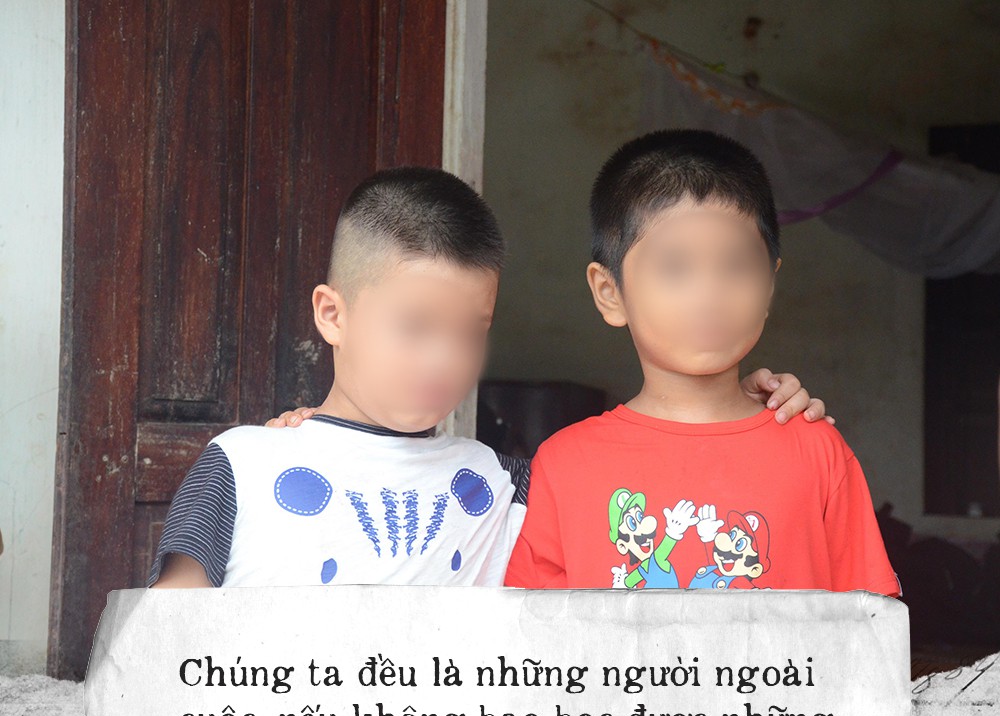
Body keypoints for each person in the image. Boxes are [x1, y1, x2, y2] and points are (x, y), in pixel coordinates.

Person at [152, 165, 827, 589]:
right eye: (415, 327)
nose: (444, 361)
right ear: (333, 314)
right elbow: (164, 656)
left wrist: (742, 404)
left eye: (470, 331)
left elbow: (664, 480)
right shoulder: (244, 465)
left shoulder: (508, 485)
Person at [502, 129, 899, 596]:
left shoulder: (817, 452)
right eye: (674, 268)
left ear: (769, 286)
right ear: (610, 293)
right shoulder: (566, 464)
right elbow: (532, 631)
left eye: (736, 265)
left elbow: (869, 625)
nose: (709, 297)